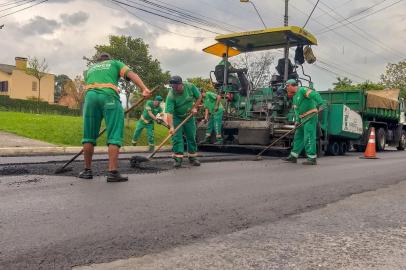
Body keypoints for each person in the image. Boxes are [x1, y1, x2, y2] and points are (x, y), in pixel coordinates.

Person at [80, 52, 150, 182]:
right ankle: (112, 172)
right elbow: (131, 74)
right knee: (114, 134)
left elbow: (97, 83)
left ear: (98, 61)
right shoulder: (115, 63)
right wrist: (144, 89)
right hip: (108, 97)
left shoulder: (90, 69)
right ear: (108, 59)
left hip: (90, 98)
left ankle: (87, 171)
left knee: (88, 136)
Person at [283, 79, 325, 165]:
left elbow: (314, 94)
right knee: (298, 137)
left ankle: (312, 158)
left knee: (308, 137)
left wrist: (321, 103)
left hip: (310, 116)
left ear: (291, 85)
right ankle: (293, 156)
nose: (286, 89)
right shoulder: (294, 97)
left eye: (287, 87)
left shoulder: (302, 90)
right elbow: (297, 110)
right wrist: (297, 121)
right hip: (302, 119)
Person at [165, 75, 202, 168]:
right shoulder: (171, 95)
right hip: (177, 118)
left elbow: (199, 97)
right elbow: (169, 113)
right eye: (172, 86)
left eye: (176, 86)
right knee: (177, 138)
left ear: (181, 84)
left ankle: (192, 157)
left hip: (189, 117)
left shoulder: (190, 87)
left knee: (191, 136)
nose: (174, 88)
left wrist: (194, 107)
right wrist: (171, 126)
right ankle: (178, 159)